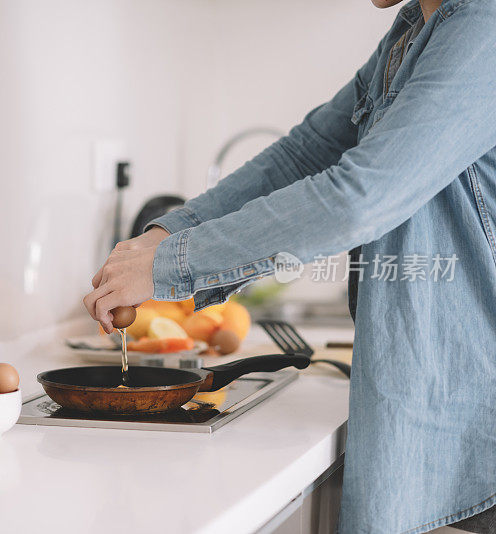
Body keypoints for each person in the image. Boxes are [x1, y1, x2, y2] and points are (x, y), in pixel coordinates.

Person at [83, 0, 496, 532]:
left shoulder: (482, 27)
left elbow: (358, 197)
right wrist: (168, 234)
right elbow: (305, 154)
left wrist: (172, 262)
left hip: (473, 418)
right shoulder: (416, 28)